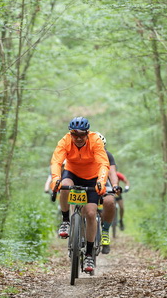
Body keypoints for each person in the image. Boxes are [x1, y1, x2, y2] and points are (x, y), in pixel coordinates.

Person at [50, 116, 117, 274]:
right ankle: (65, 221)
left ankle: (88, 255)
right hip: (72, 173)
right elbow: (56, 162)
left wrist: (101, 181)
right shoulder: (65, 141)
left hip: (92, 177)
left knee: (91, 213)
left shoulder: (95, 141)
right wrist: (56, 179)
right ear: (70, 133)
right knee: (64, 186)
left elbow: (103, 164)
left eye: (82, 135)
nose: (78, 138)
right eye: (75, 135)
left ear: (88, 133)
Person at [94, 132, 121, 254]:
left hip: (104, 182)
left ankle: (105, 231)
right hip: (87, 181)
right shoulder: (83, 152)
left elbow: (112, 172)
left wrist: (115, 185)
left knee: (110, 202)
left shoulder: (108, 155)